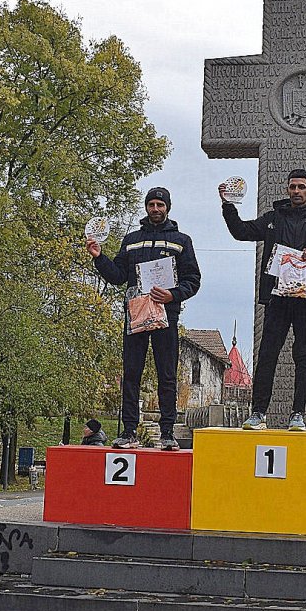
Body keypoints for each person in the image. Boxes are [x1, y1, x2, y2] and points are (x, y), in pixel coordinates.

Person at [220, 168, 306, 432]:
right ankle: (258, 413)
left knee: (305, 357)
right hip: (277, 299)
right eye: (292, 187)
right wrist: (228, 205)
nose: (297, 191)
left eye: (301, 187)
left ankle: (297, 414)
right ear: (287, 189)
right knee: (267, 355)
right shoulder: (273, 219)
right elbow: (241, 231)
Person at [88, 187, 202, 450]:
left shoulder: (181, 240)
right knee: (131, 373)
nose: (155, 209)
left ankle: (167, 434)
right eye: (151, 204)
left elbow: (193, 280)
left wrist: (173, 295)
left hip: (166, 315)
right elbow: (117, 276)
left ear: (168, 208)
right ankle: (129, 432)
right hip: (136, 315)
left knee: (167, 375)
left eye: (160, 205)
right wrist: (99, 257)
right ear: (146, 207)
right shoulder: (131, 240)